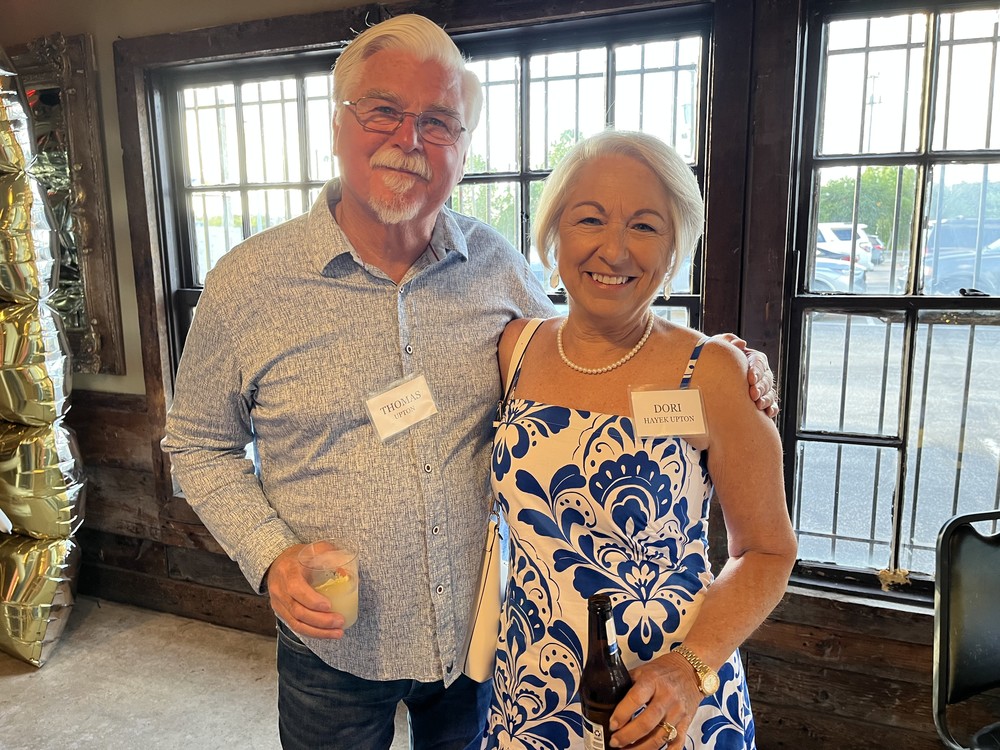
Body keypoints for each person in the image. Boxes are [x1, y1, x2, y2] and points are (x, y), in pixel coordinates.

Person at [161, 14, 778, 750]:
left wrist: (715, 364)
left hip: (486, 648)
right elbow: (197, 444)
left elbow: (594, 338)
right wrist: (270, 555)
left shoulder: (497, 269)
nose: (409, 139)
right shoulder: (247, 284)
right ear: (336, 123)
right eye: (384, 110)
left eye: (439, 121)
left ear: (461, 147)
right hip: (334, 647)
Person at [486, 130, 797, 749]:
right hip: (530, 692)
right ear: (554, 232)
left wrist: (689, 669)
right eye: (589, 218)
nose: (614, 249)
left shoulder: (711, 372)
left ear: (675, 247)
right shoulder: (514, 349)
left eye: (645, 226)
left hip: (671, 704)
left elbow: (768, 551)